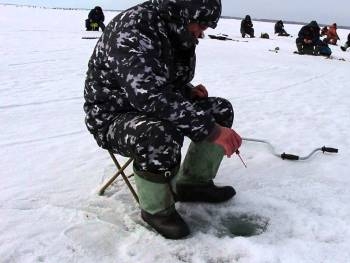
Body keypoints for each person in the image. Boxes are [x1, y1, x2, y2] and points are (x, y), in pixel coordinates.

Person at [84, 0, 242, 239]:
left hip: (147, 107)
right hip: (112, 116)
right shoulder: (134, 28)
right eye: (201, 24)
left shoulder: (172, 29)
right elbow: (148, 94)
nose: (202, 32)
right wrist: (212, 131)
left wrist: (186, 90)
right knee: (159, 134)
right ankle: (156, 210)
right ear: (184, 13)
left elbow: (159, 78)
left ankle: (193, 184)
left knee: (219, 110)